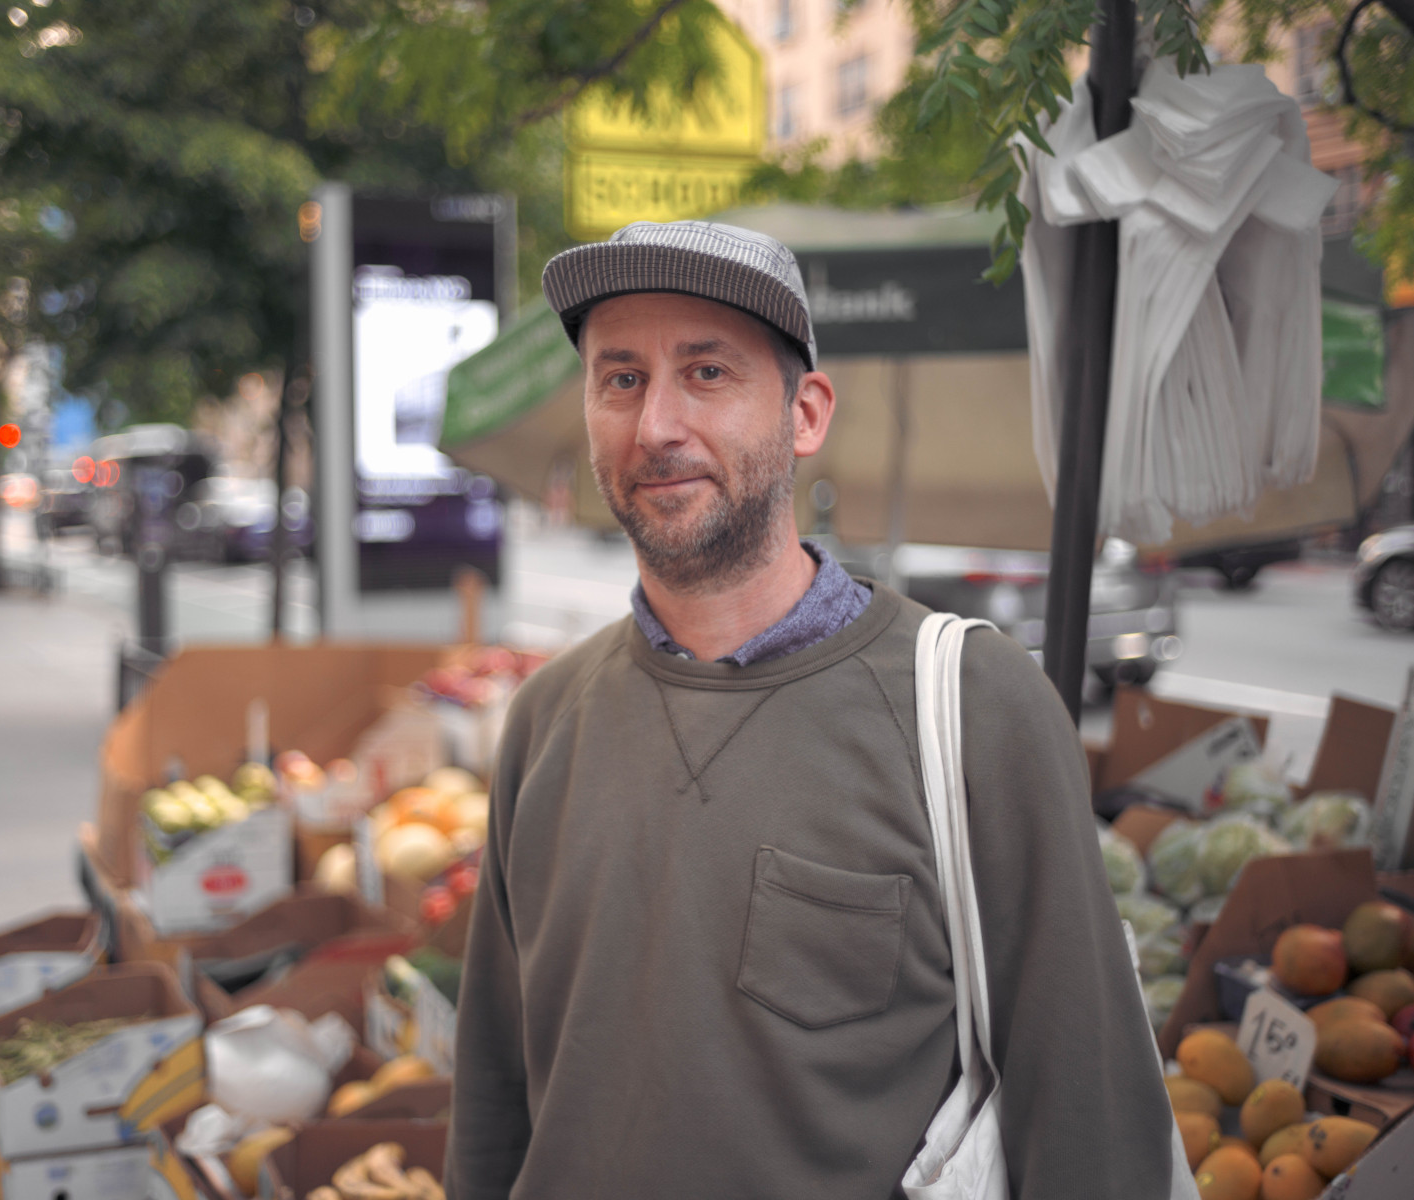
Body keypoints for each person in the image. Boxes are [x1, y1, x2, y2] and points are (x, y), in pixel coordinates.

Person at [446, 220, 1176, 1199]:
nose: (656, 424)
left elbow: (1092, 1130)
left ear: (806, 413)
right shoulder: (542, 721)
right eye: (620, 379)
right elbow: (493, 1099)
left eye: (707, 373)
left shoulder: (974, 707)